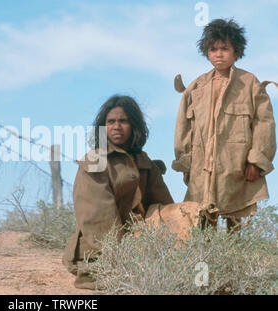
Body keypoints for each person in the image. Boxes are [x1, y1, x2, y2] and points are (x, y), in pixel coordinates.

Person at [172, 18, 276, 232]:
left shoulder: (250, 84)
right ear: (206, 52)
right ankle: (208, 262)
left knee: (236, 223)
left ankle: (235, 263)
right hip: (202, 168)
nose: (219, 54)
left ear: (236, 51)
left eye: (225, 48)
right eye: (213, 49)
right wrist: (185, 164)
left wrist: (256, 161)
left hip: (237, 168)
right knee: (201, 223)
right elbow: (184, 127)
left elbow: (264, 124)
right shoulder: (197, 86)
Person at [62, 95, 174, 290]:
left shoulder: (145, 162)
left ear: (134, 126)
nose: (116, 127)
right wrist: (124, 256)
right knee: (121, 283)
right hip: (99, 251)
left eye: (123, 121)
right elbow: (98, 218)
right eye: (110, 121)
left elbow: (166, 208)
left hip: (139, 247)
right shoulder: (95, 161)